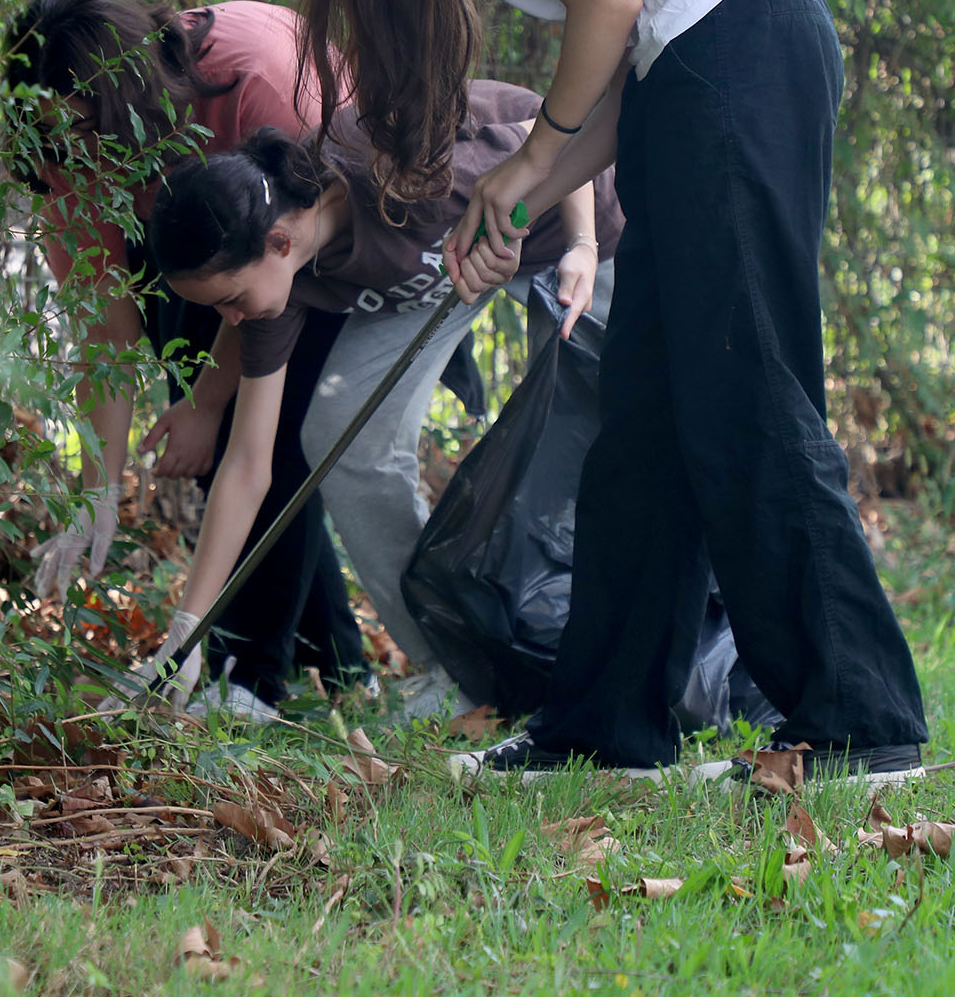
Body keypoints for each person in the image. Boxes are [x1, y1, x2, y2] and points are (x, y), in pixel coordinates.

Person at [270, 0, 930, 783]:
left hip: (737, 55)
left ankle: (858, 718)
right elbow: (622, 68)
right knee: (647, 420)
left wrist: (530, 161)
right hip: (712, 63)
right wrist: (519, 197)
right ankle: (602, 728)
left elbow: (607, 4)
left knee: (743, 389)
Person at [126, 82, 616, 718]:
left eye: (230, 301)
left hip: (584, 224)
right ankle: (456, 667)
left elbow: (553, 142)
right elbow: (247, 465)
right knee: (339, 436)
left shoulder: (406, 183)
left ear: (278, 241)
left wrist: (583, 245)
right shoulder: (282, 287)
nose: (230, 322)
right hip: (454, 264)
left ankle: (646, 665)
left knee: (621, 440)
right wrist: (186, 631)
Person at [2, 0, 372, 717]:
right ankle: (337, 664)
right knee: (206, 435)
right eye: (52, 138)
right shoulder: (64, 154)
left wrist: (208, 401)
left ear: (126, 102)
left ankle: (250, 673)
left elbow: (272, 294)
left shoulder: (257, 87)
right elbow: (106, 333)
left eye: (79, 132)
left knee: (268, 426)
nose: (70, 157)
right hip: (196, 231)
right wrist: (96, 491)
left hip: (310, 225)